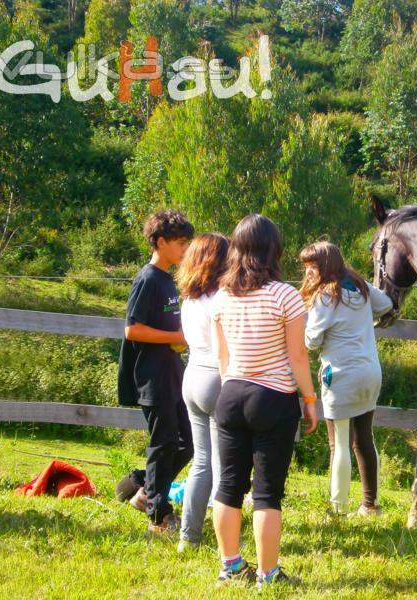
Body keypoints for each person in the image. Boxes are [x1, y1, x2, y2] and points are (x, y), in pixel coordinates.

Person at [211, 214, 318, 589]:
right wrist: (309, 399)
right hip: (272, 399)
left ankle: (230, 565)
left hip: (230, 395)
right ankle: (267, 574)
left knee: (228, 485)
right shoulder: (285, 295)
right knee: (267, 492)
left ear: (237, 249)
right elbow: (298, 357)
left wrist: (233, 386)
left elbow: (222, 356)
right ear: (274, 250)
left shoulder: (221, 296)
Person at [299, 241, 393, 517]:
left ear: (325, 266)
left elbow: (312, 341)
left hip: (340, 376)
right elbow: (386, 303)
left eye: (311, 267)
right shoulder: (358, 285)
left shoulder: (325, 297)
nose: (307, 273)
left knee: (338, 442)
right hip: (370, 372)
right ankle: (370, 504)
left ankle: (338, 509)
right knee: (364, 438)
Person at [117, 209, 194, 535]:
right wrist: (175, 338)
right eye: (180, 243)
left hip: (173, 374)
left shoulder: (169, 278)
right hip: (152, 377)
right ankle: (159, 518)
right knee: (162, 444)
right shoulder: (148, 278)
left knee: (188, 443)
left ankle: (146, 492)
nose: (185, 249)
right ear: (160, 242)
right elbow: (132, 330)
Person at [175, 232, 230, 552]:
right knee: (222, 465)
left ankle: (189, 536)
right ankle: (228, 543)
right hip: (216, 377)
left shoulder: (189, 298)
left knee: (201, 462)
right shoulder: (222, 298)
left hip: (192, 375)